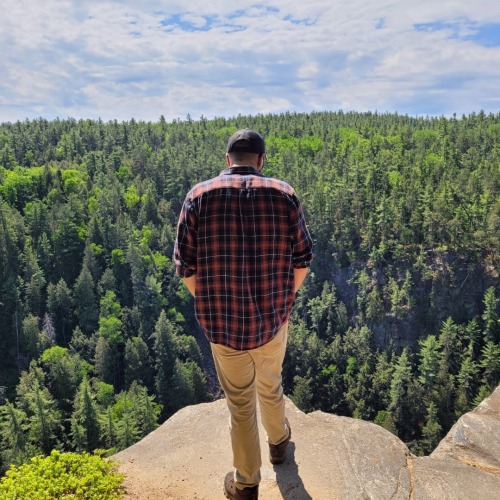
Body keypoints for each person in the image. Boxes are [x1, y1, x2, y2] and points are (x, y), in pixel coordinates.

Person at [173, 129, 314, 499]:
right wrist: (285, 299)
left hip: (222, 325)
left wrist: (208, 300)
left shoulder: (198, 196)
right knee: (271, 383)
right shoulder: (284, 194)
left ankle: (246, 483)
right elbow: (303, 259)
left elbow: (186, 266)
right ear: (261, 160)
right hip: (272, 321)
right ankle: (280, 443)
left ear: (227, 160)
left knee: (239, 404)